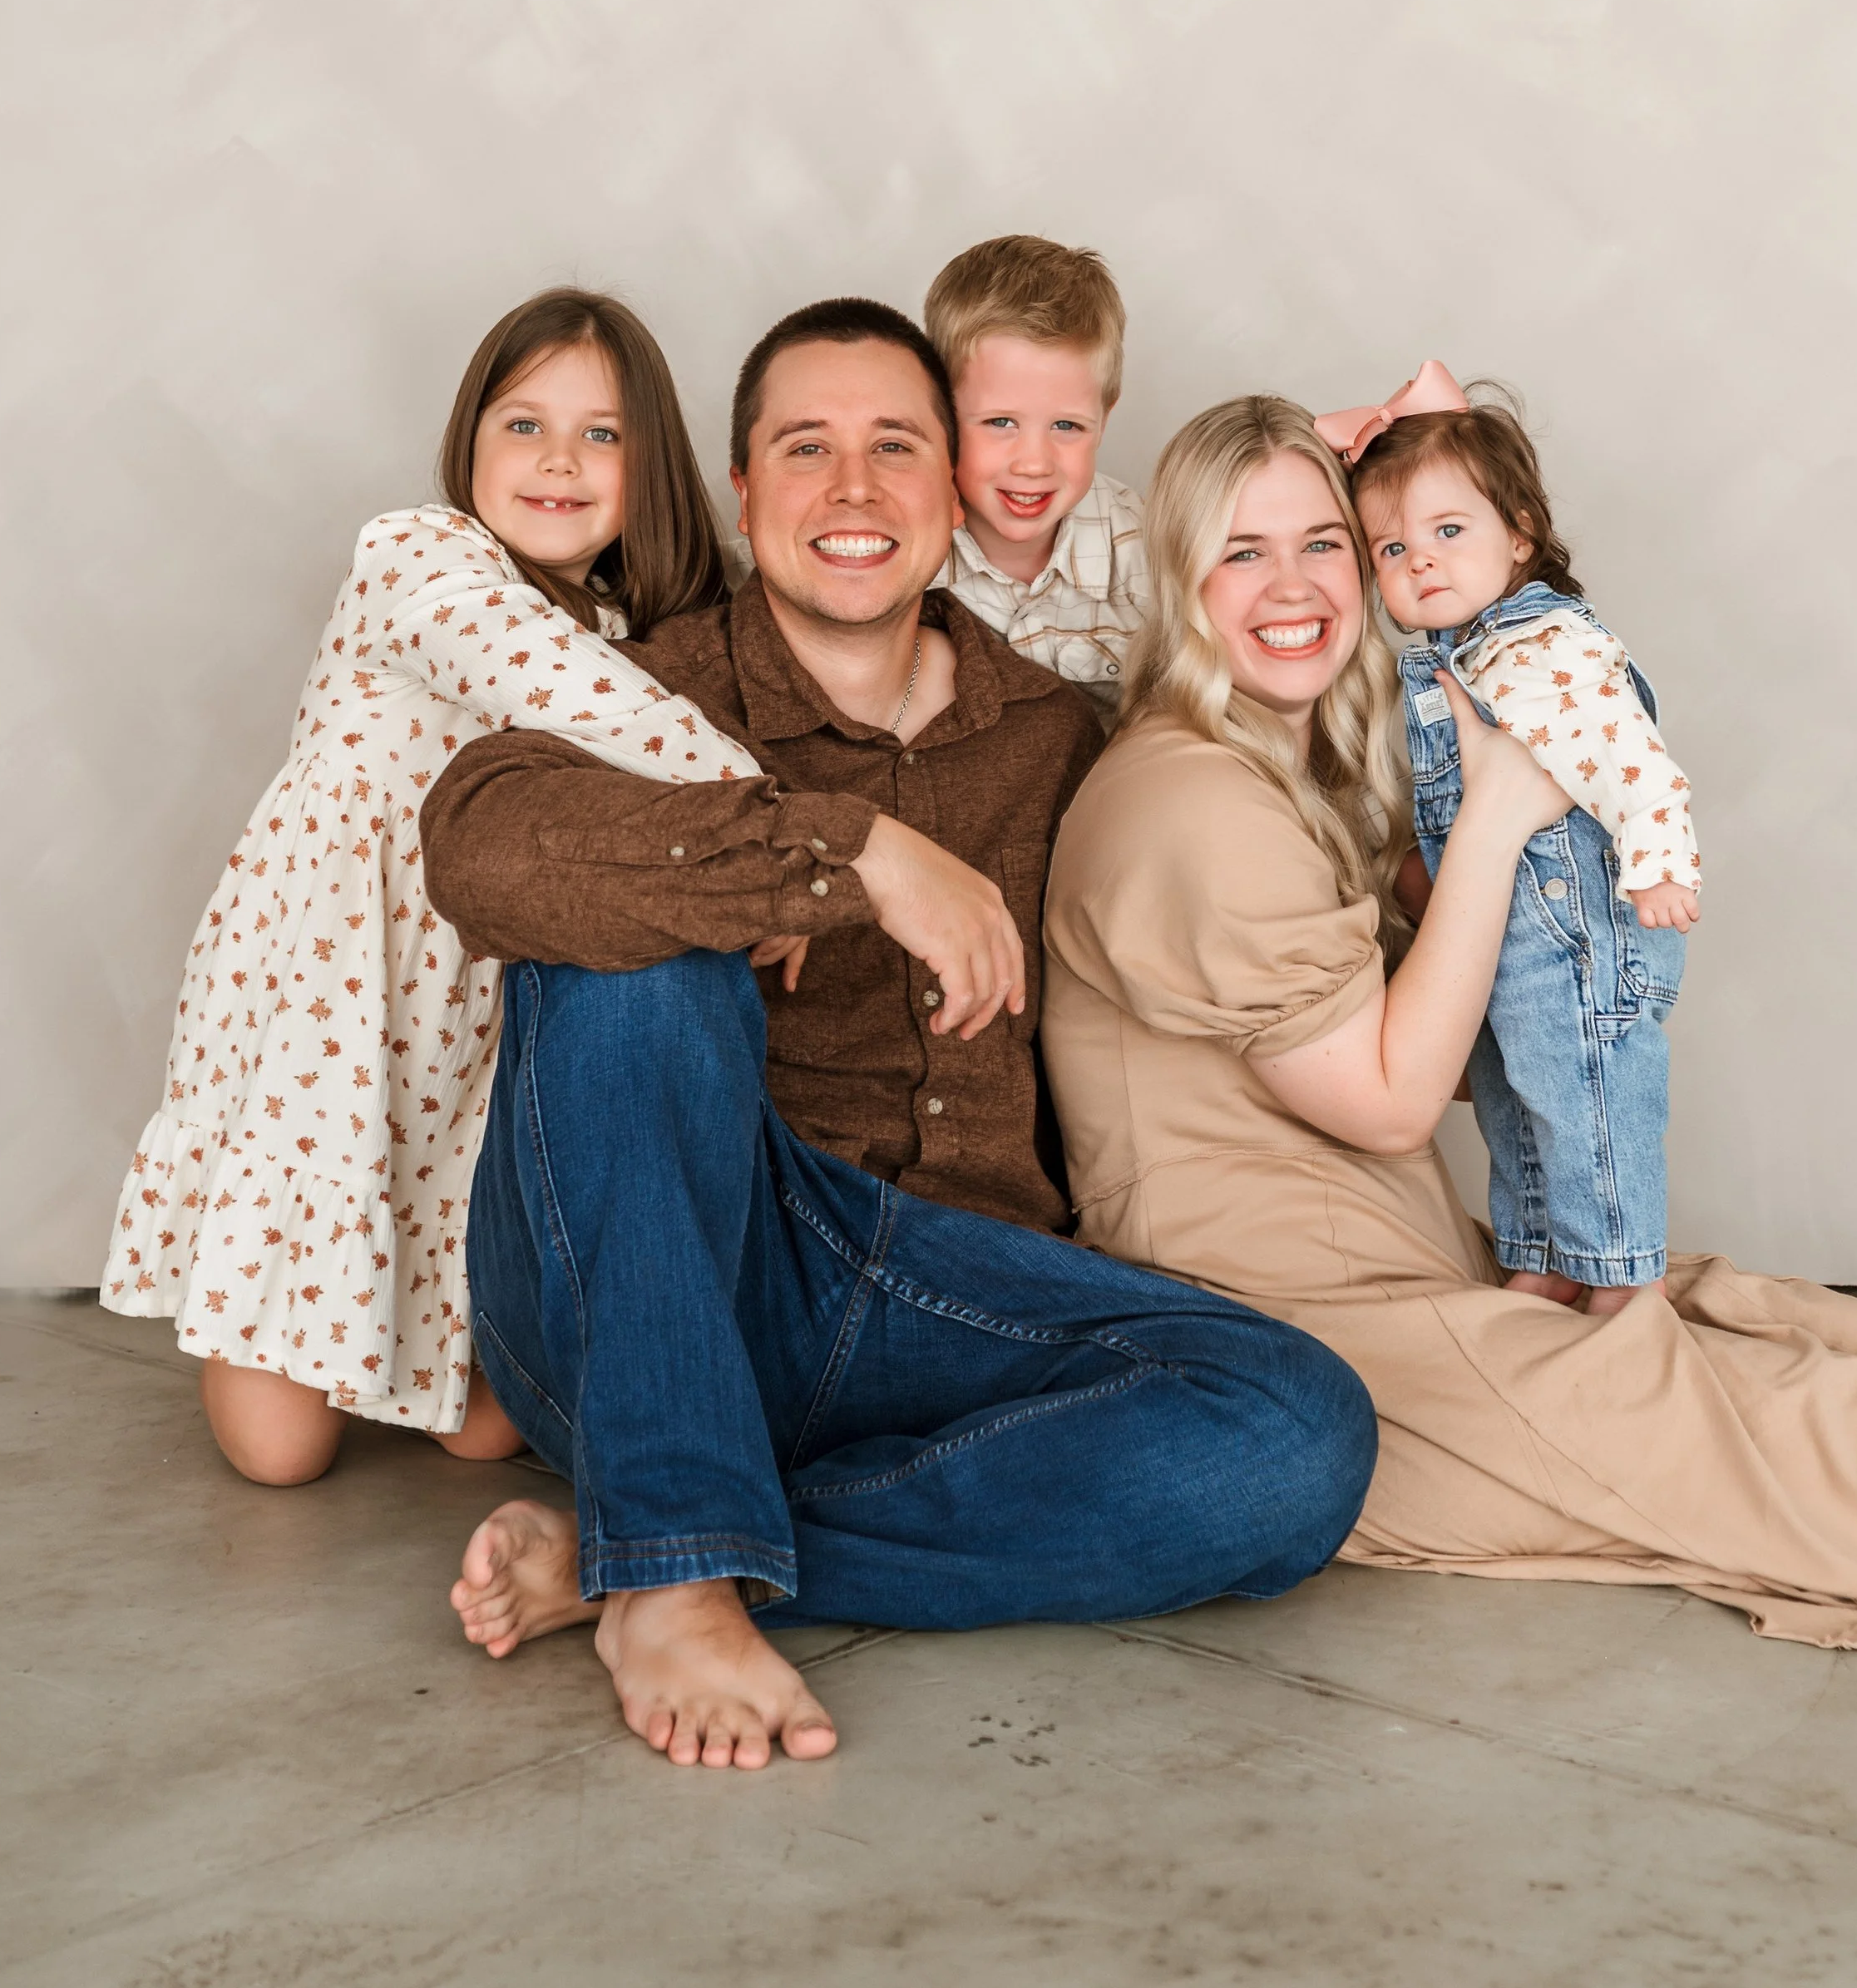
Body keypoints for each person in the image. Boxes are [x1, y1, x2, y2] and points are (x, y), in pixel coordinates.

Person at [419, 299, 1378, 1769]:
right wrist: (850, 849)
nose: (853, 489)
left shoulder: (1062, 737)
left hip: (955, 1290)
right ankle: (672, 1567)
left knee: (1293, 1435)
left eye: (896, 448)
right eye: (806, 449)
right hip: (679, 1255)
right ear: (744, 492)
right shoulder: (641, 693)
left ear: (952, 487)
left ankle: (665, 1538)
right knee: (629, 949)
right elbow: (479, 841)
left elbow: (1289, 857)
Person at [1042, 394, 1857, 1652]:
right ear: (1179, 576)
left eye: (1325, 541)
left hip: (1406, 1262)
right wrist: (1494, 820)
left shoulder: (1278, 759)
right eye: (1240, 550)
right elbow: (1390, 1101)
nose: (1293, 586)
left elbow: (1466, 1049)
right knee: (1749, 1429)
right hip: (1296, 1329)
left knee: (1755, 1319)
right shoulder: (1187, 803)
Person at [101, 289, 758, 1484]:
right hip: (339, 978)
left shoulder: (636, 629)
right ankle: (299, 1319)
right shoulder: (418, 555)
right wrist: (772, 834)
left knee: (489, 1429)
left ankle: (412, 1322)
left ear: (650, 461)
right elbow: (565, 691)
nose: (560, 461)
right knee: (281, 1456)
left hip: (479, 997)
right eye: (525, 424)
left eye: (603, 434)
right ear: (469, 440)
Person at [1336, 362, 1700, 1312]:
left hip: (1582, 935)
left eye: (1448, 532)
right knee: (1511, 1097)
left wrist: (1661, 863)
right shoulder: (1460, 654)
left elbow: (1632, 753)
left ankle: (1621, 1281)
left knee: (1584, 1103)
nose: (1419, 561)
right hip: (1501, 937)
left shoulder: (1546, 643)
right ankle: (1539, 1255)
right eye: (1389, 549)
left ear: (1520, 535)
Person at [923, 235, 1149, 713]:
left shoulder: (1144, 547)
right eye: (1000, 422)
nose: (1034, 463)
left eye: (1067, 425)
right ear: (939, 410)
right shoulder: (909, 536)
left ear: (1104, 418)